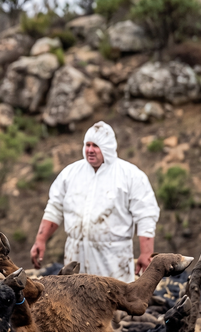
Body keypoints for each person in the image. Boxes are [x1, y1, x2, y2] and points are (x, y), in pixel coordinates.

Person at [29, 121, 160, 283]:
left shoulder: (130, 176)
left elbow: (146, 215)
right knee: (74, 302)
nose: (90, 150)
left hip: (113, 259)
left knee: (113, 302)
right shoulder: (71, 173)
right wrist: (40, 241)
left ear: (108, 148)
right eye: (87, 145)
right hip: (75, 256)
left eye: (96, 146)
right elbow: (54, 208)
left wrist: (146, 254)